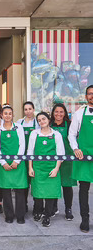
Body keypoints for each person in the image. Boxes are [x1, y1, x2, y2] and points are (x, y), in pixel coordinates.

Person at [28, 112, 64, 227]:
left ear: (48, 119)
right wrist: (30, 167)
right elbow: (30, 152)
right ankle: (38, 211)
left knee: (50, 193)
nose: (41, 121)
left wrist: (56, 169)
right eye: (39, 120)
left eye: (43, 119)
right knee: (38, 193)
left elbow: (60, 153)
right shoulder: (34, 134)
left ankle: (47, 215)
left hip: (52, 167)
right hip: (38, 167)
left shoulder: (56, 135)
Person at [0, 105, 27, 224]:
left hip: (17, 164)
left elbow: (22, 145)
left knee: (20, 191)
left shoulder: (19, 128)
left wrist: (16, 161)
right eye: (5, 113)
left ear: (13, 115)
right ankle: (8, 215)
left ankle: (20, 215)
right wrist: (3, 163)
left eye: (10, 113)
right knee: (6, 191)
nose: (7, 115)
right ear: (2, 115)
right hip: (4, 164)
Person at [69, 85, 93, 233]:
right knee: (83, 190)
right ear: (86, 97)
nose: (92, 96)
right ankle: (85, 220)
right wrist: (75, 149)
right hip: (83, 156)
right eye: (90, 94)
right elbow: (71, 134)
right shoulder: (80, 113)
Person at [51, 103, 77, 220]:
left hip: (67, 160)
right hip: (52, 159)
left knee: (67, 185)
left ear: (65, 113)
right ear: (53, 113)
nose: (59, 114)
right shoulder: (49, 124)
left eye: (61, 112)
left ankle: (68, 208)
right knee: (54, 183)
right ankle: (53, 207)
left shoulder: (70, 125)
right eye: (56, 112)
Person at [17, 101, 40, 213]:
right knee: (23, 182)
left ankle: (37, 206)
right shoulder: (19, 122)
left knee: (35, 182)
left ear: (33, 109)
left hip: (34, 157)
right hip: (22, 157)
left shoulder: (38, 123)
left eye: (30, 109)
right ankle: (24, 204)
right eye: (25, 109)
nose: (28, 111)